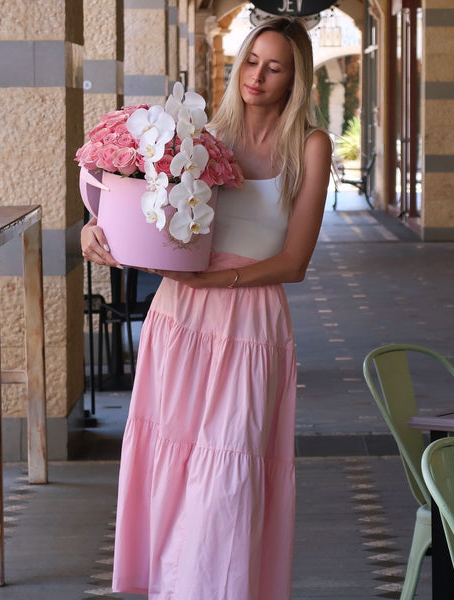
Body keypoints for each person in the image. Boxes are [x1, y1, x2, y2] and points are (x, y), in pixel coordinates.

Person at [81, 16, 331, 600]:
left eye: (274, 67)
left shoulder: (309, 146)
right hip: (180, 319)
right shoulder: (200, 134)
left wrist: (224, 282)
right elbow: (138, 205)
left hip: (249, 322)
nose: (257, 76)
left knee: (229, 474)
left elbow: (295, 262)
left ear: (295, 79)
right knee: (174, 461)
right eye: (251, 61)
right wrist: (94, 229)